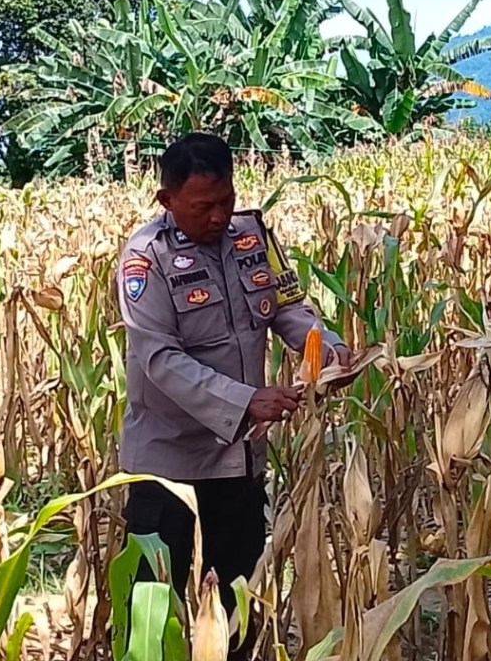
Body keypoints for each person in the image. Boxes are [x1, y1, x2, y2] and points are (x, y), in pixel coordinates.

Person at [116, 132, 353, 657]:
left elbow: (288, 307)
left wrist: (329, 350)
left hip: (240, 461)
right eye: (204, 207)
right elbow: (160, 360)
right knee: (155, 612)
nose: (219, 216)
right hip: (170, 466)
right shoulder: (145, 259)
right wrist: (246, 400)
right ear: (167, 201)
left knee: (236, 601)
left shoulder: (251, 236)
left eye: (225, 200)